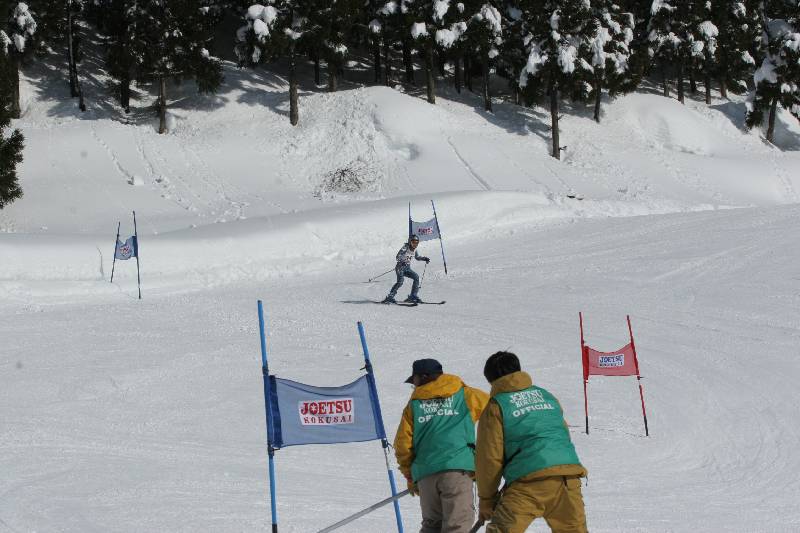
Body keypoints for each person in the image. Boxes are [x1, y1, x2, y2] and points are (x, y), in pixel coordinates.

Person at [475, 351, 588, 533]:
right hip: (567, 478)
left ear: (491, 379)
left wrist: (487, 499)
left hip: (527, 484)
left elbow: (489, 457)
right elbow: (562, 434)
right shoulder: (547, 396)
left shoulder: (496, 406)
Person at [394, 358, 490, 533]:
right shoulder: (466, 395)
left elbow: (402, 444)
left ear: (424, 377)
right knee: (457, 525)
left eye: (414, 380)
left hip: (426, 473)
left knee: (432, 525)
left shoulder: (414, 405)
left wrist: (410, 475)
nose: (414, 385)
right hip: (457, 470)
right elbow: (496, 412)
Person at [383, 234, 429, 304]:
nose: (415, 244)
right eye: (413, 242)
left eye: (416, 243)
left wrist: (424, 258)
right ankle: (390, 296)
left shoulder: (415, 249)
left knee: (416, 277)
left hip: (407, 268)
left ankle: (413, 296)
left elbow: (417, 257)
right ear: (410, 242)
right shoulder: (405, 247)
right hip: (400, 268)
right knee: (400, 282)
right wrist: (403, 261)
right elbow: (398, 256)